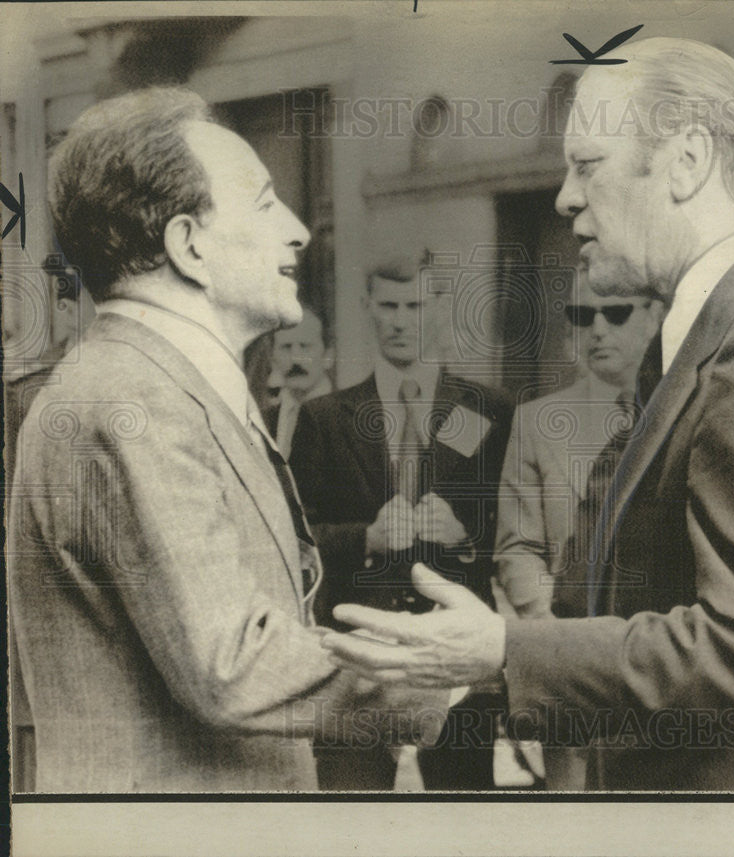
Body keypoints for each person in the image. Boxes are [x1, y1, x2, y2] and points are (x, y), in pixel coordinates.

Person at [320, 38, 734, 791]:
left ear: (687, 162)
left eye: (588, 164)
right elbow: (622, 603)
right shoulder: (722, 335)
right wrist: (471, 668)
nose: (564, 196)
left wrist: (504, 649)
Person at [7, 87, 443, 792]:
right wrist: (441, 676)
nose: (299, 231)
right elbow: (232, 662)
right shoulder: (133, 400)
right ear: (188, 245)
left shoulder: (159, 387)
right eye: (266, 204)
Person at [289, 257, 513, 790]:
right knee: (351, 818)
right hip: (356, 659)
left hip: (457, 656)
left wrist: (464, 536)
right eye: (388, 306)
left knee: (462, 822)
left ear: (437, 308)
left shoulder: (489, 410)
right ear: (368, 308)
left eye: (414, 305)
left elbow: (517, 528)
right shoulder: (325, 417)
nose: (400, 320)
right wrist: (364, 537)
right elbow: (293, 539)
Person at [494, 271, 661, 790]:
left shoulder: (683, 415)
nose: (598, 330)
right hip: (570, 674)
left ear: (655, 317)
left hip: (661, 666)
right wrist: (549, 627)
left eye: (617, 313)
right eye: (583, 316)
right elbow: (517, 545)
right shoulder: (539, 420)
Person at [265, 304, 335, 458]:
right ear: (272, 359)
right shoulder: (265, 421)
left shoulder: (346, 418)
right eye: (286, 347)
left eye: (305, 346)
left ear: (328, 356)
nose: (295, 359)